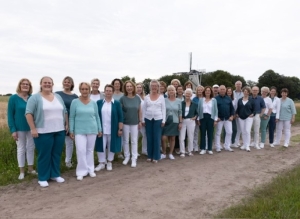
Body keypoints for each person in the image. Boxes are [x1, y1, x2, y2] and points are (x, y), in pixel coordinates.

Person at [26, 76, 68, 187]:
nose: (47, 84)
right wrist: (33, 128)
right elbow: (28, 113)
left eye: (49, 83)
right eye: (45, 82)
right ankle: (43, 177)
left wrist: (67, 124)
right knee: (44, 154)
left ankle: (55, 174)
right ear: (41, 84)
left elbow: (64, 111)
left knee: (56, 153)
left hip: (59, 130)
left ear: (52, 84)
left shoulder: (57, 96)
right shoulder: (35, 98)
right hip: (43, 131)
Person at [69, 82, 102, 181]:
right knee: (81, 150)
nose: (84, 91)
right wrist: (71, 130)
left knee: (90, 150)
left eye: (86, 89)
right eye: (82, 89)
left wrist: (99, 129)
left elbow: (97, 117)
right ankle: (81, 171)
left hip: (92, 129)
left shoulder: (93, 103)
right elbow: (71, 117)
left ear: (89, 90)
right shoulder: (75, 102)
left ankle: (90, 169)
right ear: (80, 90)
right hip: (79, 130)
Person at [7, 78, 36, 180]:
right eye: (23, 84)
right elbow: (10, 115)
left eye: (27, 84)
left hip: (31, 127)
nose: (25, 86)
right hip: (19, 128)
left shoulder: (32, 98)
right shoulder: (13, 98)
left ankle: (31, 169)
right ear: (19, 86)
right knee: (21, 149)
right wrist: (13, 130)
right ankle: (22, 171)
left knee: (31, 148)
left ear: (30, 87)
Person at [95, 84, 123, 171]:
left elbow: (120, 117)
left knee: (112, 145)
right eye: (107, 90)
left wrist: (120, 129)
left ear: (113, 92)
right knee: (101, 146)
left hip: (113, 128)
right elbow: (96, 116)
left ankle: (110, 162)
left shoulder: (117, 103)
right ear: (104, 92)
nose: (108, 92)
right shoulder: (99, 103)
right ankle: (102, 163)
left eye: (110, 91)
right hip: (101, 129)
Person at [56, 76, 78, 168]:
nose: (66, 83)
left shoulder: (75, 96)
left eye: (69, 82)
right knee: (58, 142)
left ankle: (68, 161)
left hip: (71, 120)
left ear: (72, 84)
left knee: (69, 142)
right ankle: (56, 161)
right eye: (65, 82)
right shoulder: (57, 94)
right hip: (59, 119)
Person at [142, 80, 166, 163]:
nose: (154, 87)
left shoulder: (161, 97)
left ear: (158, 87)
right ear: (150, 87)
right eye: (152, 85)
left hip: (158, 119)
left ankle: (156, 156)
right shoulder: (147, 97)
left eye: (156, 85)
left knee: (156, 138)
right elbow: (144, 109)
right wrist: (143, 120)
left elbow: (163, 109)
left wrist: (164, 120)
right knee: (149, 137)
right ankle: (150, 155)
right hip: (148, 119)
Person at [120, 81, 142, 167]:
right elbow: (120, 111)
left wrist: (140, 121)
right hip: (125, 122)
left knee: (134, 140)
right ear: (125, 88)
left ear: (133, 87)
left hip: (134, 122)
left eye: (130, 86)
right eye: (127, 86)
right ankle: (127, 156)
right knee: (125, 140)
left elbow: (139, 110)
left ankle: (134, 158)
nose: (129, 88)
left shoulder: (137, 98)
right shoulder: (122, 98)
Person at [161, 85, 182, 160]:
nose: (171, 92)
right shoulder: (164, 100)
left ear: (175, 91)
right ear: (167, 92)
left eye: (172, 90)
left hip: (175, 121)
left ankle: (170, 153)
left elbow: (180, 112)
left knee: (173, 138)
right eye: (169, 90)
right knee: (163, 138)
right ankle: (163, 153)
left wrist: (180, 122)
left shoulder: (179, 101)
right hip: (166, 120)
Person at [197, 86, 218, 155]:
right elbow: (199, 110)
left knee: (210, 133)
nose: (207, 92)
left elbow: (215, 110)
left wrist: (215, 120)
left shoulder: (214, 100)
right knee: (202, 133)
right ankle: (202, 148)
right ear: (204, 92)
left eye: (209, 90)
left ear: (211, 92)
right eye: (206, 90)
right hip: (202, 117)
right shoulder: (201, 100)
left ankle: (209, 148)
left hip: (210, 118)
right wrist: (198, 119)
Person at [215, 85, 235, 152]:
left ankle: (227, 146)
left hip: (228, 118)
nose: (222, 90)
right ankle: (218, 147)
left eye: (223, 89)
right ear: (218, 90)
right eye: (221, 89)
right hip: (219, 119)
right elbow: (214, 109)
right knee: (218, 133)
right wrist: (216, 117)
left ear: (225, 90)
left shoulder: (228, 98)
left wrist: (232, 116)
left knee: (229, 132)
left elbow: (232, 108)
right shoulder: (215, 99)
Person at [235, 87, 256, 152]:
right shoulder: (239, 100)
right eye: (244, 91)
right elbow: (238, 108)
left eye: (247, 91)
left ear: (249, 93)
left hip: (248, 117)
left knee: (247, 131)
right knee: (243, 131)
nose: (245, 92)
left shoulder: (252, 100)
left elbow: (255, 109)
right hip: (241, 117)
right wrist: (237, 113)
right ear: (243, 92)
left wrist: (253, 114)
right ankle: (244, 144)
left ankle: (247, 146)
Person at [179, 88, 198, 157]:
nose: (187, 95)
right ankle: (182, 151)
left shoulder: (194, 104)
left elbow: (197, 113)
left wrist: (195, 117)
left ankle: (190, 151)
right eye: (186, 93)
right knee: (182, 137)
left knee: (191, 136)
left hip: (191, 121)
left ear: (191, 95)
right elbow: (179, 112)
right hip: (183, 121)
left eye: (189, 94)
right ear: (184, 94)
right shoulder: (181, 103)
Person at [136, 82, 147, 155]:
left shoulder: (145, 97)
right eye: (137, 87)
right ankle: (135, 151)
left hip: (144, 119)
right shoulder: (134, 97)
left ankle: (144, 150)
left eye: (140, 87)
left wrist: (143, 120)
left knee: (145, 135)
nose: (139, 89)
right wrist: (139, 120)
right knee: (135, 137)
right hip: (136, 120)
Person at [232, 81, 244, 147]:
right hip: (233, 112)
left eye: (239, 84)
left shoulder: (244, 93)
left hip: (241, 112)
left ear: (241, 85)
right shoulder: (232, 92)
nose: (238, 85)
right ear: (235, 85)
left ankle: (237, 141)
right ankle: (232, 141)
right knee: (233, 128)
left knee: (239, 128)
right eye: (237, 84)